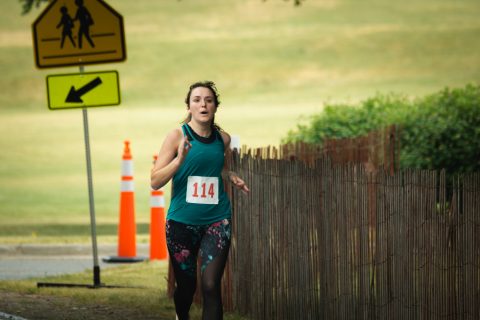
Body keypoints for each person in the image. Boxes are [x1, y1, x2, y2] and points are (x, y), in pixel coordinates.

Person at [151, 81, 249, 320]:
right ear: (189, 106)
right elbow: (155, 181)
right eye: (197, 100)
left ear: (215, 106)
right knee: (187, 287)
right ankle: (181, 316)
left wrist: (230, 174)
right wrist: (179, 159)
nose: (203, 104)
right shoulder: (177, 136)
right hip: (181, 222)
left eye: (208, 100)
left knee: (210, 285)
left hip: (217, 220)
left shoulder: (222, 139)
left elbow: (217, 167)